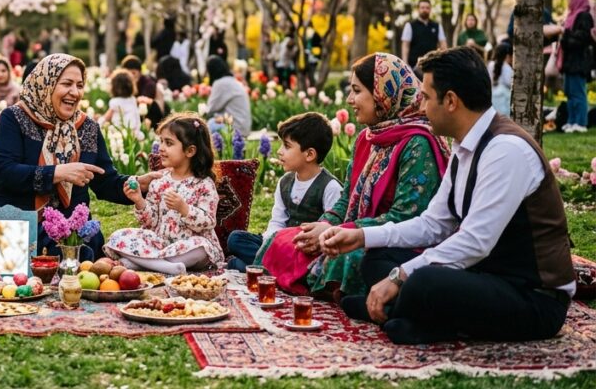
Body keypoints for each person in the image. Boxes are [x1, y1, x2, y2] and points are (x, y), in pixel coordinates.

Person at [321, 46, 575, 344]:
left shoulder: (505, 150)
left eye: (427, 97)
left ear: (451, 101)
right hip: (482, 276)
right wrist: (363, 237)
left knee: (423, 280)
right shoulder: (464, 146)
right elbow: (433, 224)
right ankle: (410, 316)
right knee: (377, 258)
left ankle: (406, 315)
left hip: (532, 297)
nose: (421, 106)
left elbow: (475, 242)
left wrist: (399, 276)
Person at [258, 53, 447, 299]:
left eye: (357, 91)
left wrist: (345, 232)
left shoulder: (418, 144)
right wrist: (325, 225)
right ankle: (330, 289)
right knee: (284, 239)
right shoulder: (366, 139)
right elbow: (347, 198)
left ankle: (339, 292)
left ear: (382, 94)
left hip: (394, 243)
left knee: (345, 258)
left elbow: (405, 216)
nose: (350, 100)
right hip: (349, 231)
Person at [0, 54, 161, 256]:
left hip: (65, 224)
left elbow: (105, 182)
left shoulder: (87, 128)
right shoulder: (15, 118)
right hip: (11, 214)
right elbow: (5, 173)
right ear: (45, 84)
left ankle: (41, 250)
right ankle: (55, 251)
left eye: (79, 85)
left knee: (88, 237)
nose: (74, 92)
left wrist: (139, 183)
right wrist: (58, 172)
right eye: (66, 84)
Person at [104, 114, 223, 274]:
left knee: (202, 247)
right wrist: (139, 200)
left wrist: (184, 209)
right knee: (118, 236)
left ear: (190, 151)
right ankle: (166, 267)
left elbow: (208, 222)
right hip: (160, 243)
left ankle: (142, 262)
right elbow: (150, 223)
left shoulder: (203, 184)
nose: (161, 148)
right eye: (161, 141)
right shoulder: (159, 180)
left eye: (169, 143)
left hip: (188, 246)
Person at [225, 113, 342, 272]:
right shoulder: (285, 182)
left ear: (309, 154)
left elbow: (332, 230)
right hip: (279, 244)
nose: (279, 151)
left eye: (287, 146)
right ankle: (270, 267)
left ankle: (258, 267)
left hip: (305, 250)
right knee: (236, 239)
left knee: (237, 264)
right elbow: (277, 222)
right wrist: (271, 244)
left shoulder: (330, 187)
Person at [559, 0, 594, 133]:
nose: (568, 2)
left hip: (578, 62)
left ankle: (580, 122)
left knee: (578, 93)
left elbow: (581, 39)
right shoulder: (572, 16)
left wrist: (565, 35)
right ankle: (572, 121)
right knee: (570, 93)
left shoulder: (584, 16)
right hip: (570, 62)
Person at [205, 56, 251, 135]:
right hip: (244, 128)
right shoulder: (232, 81)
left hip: (234, 129)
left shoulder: (220, 83)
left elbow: (210, 109)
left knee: (207, 125)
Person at [119, 55, 167, 127]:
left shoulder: (148, 84)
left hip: (150, 119)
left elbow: (142, 104)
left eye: (133, 73)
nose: (131, 76)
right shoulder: (124, 84)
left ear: (140, 72)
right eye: (127, 74)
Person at [401, 0, 447, 70]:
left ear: (430, 9)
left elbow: (443, 44)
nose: (425, 10)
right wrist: (405, 65)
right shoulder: (410, 25)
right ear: (418, 9)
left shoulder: (437, 26)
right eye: (422, 7)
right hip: (414, 66)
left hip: (432, 66)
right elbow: (405, 45)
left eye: (427, 8)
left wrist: (445, 62)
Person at [489, 42, 513, 117]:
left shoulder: (490, 65)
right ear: (508, 56)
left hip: (492, 97)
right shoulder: (508, 68)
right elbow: (510, 83)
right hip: (505, 99)